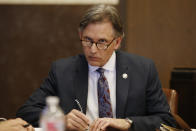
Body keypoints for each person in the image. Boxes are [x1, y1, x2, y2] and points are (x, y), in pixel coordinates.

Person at [16, 4, 176, 131]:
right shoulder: (63, 70)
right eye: (87, 40)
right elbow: (25, 113)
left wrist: (129, 123)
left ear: (117, 42)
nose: (92, 49)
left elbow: (166, 120)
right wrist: (60, 120)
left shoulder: (142, 69)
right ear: (80, 36)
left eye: (101, 42)